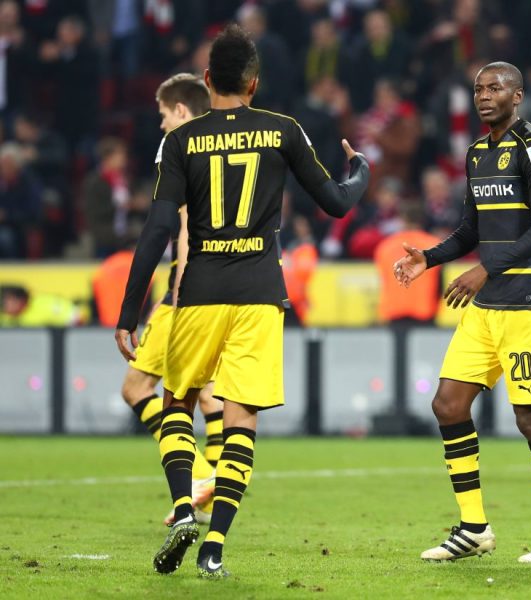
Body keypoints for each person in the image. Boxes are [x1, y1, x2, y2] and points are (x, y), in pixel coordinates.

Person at [114, 25, 369, 578]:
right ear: (254, 83)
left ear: (207, 80)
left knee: (178, 403)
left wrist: (128, 313)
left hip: (199, 293)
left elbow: (157, 231)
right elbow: (335, 203)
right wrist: (360, 174)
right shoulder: (283, 130)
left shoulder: (181, 142)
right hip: (259, 295)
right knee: (240, 419)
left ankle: (185, 508)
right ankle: (214, 548)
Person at [394, 62, 531, 564]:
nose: (484, 96)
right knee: (448, 405)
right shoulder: (477, 153)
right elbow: (471, 230)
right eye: (478, 89)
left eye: (495, 88)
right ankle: (474, 528)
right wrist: (429, 258)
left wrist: (483, 270)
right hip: (487, 308)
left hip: (528, 305)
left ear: (518, 96)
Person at [116, 73, 224, 528]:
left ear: (180, 110)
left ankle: (199, 475)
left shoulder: (179, 145)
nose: (161, 125)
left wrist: (176, 292)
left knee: (138, 388)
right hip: (229, 289)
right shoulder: (225, 141)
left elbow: (179, 227)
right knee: (207, 394)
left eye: (163, 115)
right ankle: (212, 489)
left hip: (186, 292)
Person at [375, 203, 441, 325]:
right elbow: (440, 283)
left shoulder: (385, 246)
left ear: (402, 220)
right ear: (422, 220)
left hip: (393, 310)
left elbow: (384, 279)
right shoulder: (434, 245)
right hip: (424, 310)